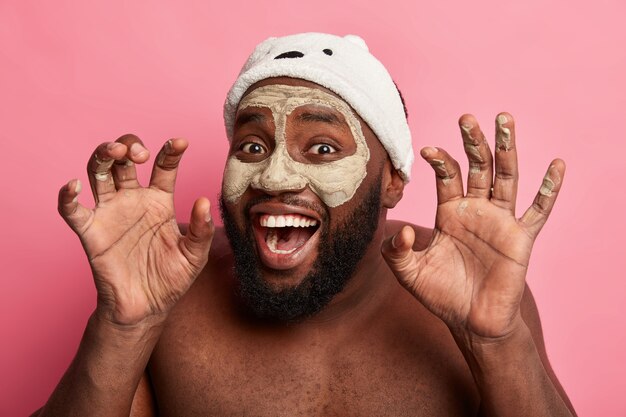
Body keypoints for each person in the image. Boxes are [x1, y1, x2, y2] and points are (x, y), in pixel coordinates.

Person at [34, 33, 577, 416]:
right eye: (252, 146)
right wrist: (122, 329)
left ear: (391, 180)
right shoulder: (170, 294)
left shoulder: (468, 284)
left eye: (321, 147)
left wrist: (498, 341)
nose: (273, 176)